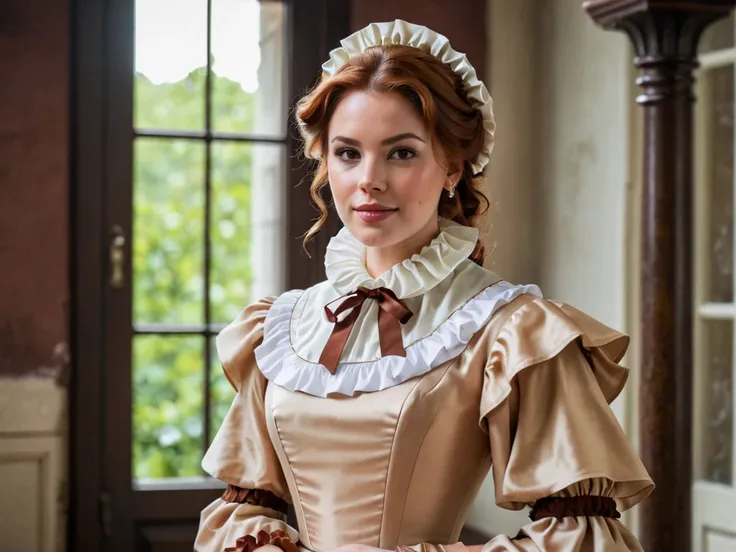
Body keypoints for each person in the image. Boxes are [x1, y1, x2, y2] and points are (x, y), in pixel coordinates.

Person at [194, 19, 653, 552]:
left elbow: (583, 535)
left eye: (402, 152)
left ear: (454, 167)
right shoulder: (277, 330)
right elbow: (246, 509)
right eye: (348, 153)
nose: (370, 179)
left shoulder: (515, 331)